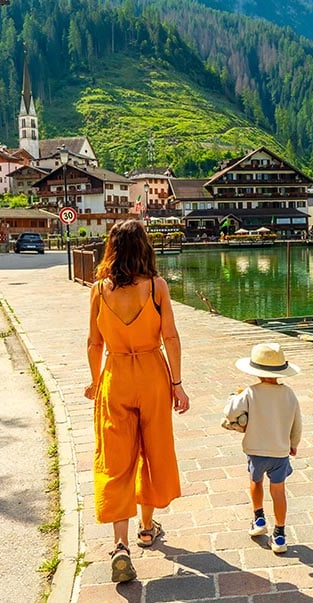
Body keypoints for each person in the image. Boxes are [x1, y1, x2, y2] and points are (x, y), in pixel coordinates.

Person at [84, 219, 190, 583]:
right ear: (145, 247)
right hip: (152, 375)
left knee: (115, 458)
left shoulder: (99, 289)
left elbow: (94, 343)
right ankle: (147, 527)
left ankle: (120, 545)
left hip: (116, 375)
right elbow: (171, 337)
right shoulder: (157, 287)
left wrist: (96, 382)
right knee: (152, 449)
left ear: (111, 248)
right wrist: (177, 384)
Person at [224, 342, 302, 554]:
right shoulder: (289, 394)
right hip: (280, 450)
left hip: (256, 450)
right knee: (278, 490)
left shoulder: (250, 392)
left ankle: (259, 519)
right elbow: (297, 422)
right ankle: (279, 534)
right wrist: (293, 444)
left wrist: (233, 397)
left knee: (255, 481)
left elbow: (230, 412)